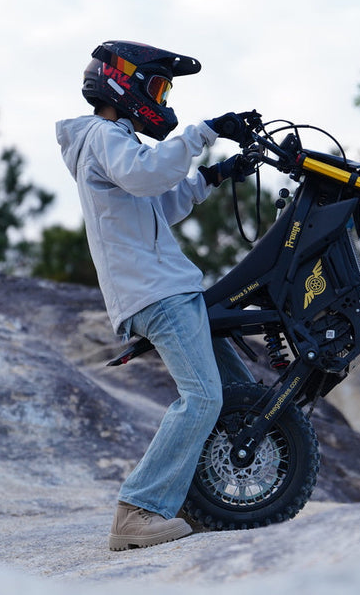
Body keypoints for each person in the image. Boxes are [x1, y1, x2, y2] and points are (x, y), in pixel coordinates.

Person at [55, 40, 257, 550]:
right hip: (157, 294)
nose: (164, 99)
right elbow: (148, 177)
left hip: (168, 289)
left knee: (236, 394)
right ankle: (138, 510)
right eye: (159, 86)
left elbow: (157, 205)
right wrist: (207, 132)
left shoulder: (112, 143)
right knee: (204, 397)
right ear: (126, 84)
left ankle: (207, 501)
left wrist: (214, 175)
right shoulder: (102, 136)